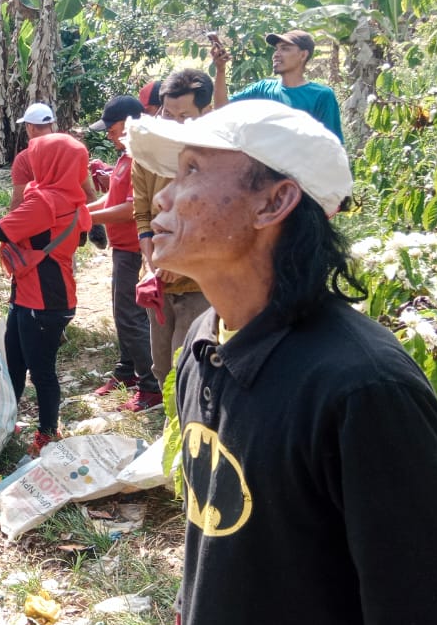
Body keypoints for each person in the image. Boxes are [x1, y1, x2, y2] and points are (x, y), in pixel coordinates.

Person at [129, 99, 437, 625]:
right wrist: (189, 621)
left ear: (274, 201)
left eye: (191, 170)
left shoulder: (362, 391)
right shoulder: (204, 344)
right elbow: (223, 524)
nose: (162, 195)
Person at [0, 133, 90, 455]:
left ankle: (47, 433)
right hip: (29, 295)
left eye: (38, 156)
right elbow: (79, 237)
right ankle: (9, 418)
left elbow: (3, 228)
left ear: (52, 162)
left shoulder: (47, 201)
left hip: (44, 301)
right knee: (15, 362)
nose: (32, 161)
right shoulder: (68, 197)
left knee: (42, 371)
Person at [131, 68, 213, 388]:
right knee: (163, 369)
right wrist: (153, 264)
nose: (175, 123)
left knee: (190, 370)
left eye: (185, 116)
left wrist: (181, 264)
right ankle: (172, 432)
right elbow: (142, 215)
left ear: (206, 113)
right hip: (159, 280)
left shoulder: (217, 157)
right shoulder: (147, 154)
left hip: (199, 282)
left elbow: (214, 224)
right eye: (168, 113)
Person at [87, 95, 160, 412]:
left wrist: (87, 218)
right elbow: (112, 199)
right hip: (122, 248)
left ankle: (151, 386)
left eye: (111, 127)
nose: (107, 133)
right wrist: (79, 211)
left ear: (131, 121)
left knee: (129, 316)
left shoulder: (143, 158)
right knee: (125, 313)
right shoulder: (124, 156)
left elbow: (132, 209)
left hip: (134, 250)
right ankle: (127, 371)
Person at [211, 29, 343, 141]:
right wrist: (221, 70)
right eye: (276, 49)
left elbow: (332, 145)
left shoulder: (321, 95)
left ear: (303, 55)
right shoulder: (263, 89)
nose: (276, 54)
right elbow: (222, 109)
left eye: (285, 49)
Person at [9, 102, 59, 206]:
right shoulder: (71, 150)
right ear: (52, 124)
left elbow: (19, 199)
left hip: (40, 216)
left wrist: (8, 220)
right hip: (72, 216)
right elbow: (89, 191)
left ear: (30, 127)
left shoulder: (23, 159)